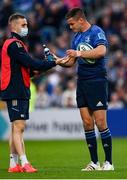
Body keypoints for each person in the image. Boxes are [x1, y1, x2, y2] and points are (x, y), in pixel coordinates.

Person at [0, 13, 66, 173]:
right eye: (23, 25)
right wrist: (52, 62)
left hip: (19, 88)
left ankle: (13, 165)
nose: (26, 28)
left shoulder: (18, 45)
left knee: (16, 127)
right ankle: (24, 162)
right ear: (13, 26)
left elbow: (29, 70)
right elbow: (31, 63)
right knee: (19, 126)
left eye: (26, 25)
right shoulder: (13, 44)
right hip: (15, 89)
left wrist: (49, 65)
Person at [58, 8, 114, 171]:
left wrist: (78, 53)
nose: (70, 27)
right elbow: (71, 62)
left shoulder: (96, 31)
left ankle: (109, 162)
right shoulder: (76, 38)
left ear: (80, 20)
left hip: (96, 80)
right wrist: (58, 61)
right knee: (87, 123)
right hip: (81, 81)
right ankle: (94, 163)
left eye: (72, 23)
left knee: (101, 122)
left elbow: (101, 51)